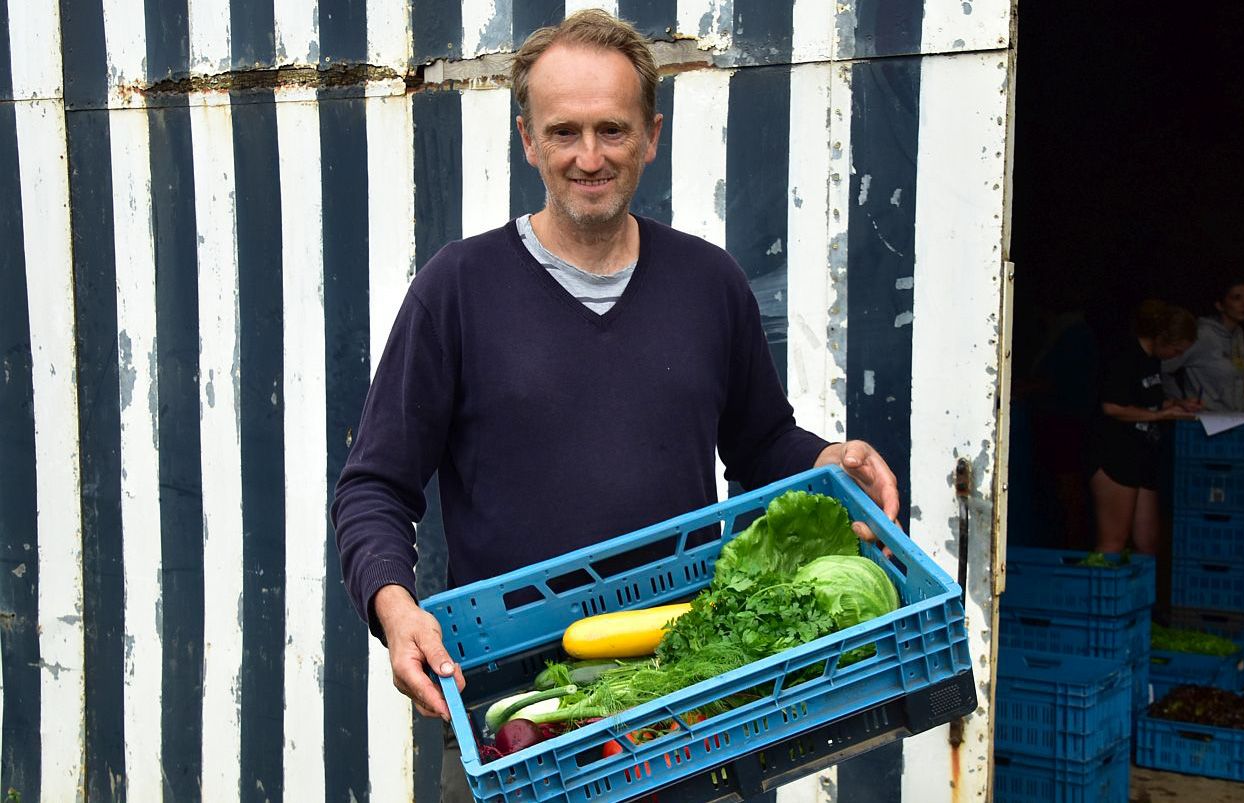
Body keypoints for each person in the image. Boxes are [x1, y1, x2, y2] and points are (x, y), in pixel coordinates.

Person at [330, 10, 899, 797]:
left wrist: (826, 459)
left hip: (689, 696)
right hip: (516, 711)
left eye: (612, 130)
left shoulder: (708, 283)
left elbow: (760, 440)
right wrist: (394, 609)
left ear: (651, 134)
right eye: (563, 132)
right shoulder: (456, 290)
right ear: (527, 139)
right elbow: (374, 486)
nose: (588, 157)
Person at [1088, 300, 1198, 554]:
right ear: (1161, 338)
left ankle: (1142, 591)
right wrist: (1161, 415)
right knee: (1113, 540)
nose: (1176, 356)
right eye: (1176, 350)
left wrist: (1178, 404)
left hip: (1143, 454)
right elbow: (1112, 406)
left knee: (1147, 540)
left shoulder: (1152, 360)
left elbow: (1148, 399)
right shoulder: (1124, 355)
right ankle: (1103, 590)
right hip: (1115, 454)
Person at [1162, 280, 1244, 412]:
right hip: (1205, 420)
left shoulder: (1238, 334)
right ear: (1220, 305)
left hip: (1234, 417)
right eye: (1236, 298)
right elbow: (1164, 367)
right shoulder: (1203, 335)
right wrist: (1178, 401)